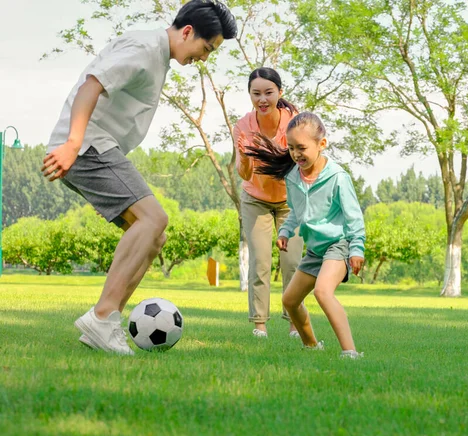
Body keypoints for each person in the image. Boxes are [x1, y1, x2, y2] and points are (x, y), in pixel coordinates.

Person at [41, 0, 237, 354]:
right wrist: (72, 143)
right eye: (206, 48)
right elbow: (92, 85)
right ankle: (102, 317)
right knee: (154, 218)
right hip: (89, 145)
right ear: (188, 31)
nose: (204, 58)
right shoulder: (145, 48)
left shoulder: (156, 53)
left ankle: (105, 321)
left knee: (153, 236)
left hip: (97, 146)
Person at [244, 112, 366, 359]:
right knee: (289, 300)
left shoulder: (337, 178)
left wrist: (357, 249)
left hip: (338, 245)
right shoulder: (293, 178)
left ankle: (351, 352)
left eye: (302, 147)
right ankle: (311, 346)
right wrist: (286, 231)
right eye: (291, 148)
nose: (296, 154)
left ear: (322, 144)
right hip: (315, 250)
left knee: (323, 292)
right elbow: (296, 212)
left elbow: (354, 217)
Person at [233, 67, 304, 338]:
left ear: (279, 92)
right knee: (260, 262)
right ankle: (259, 325)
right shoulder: (243, 126)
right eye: (256, 93)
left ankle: (294, 324)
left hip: (290, 202)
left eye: (268, 93)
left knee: (292, 262)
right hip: (256, 200)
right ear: (250, 95)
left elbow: (306, 161)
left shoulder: (294, 122)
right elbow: (245, 174)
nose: (262, 99)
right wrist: (244, 156)